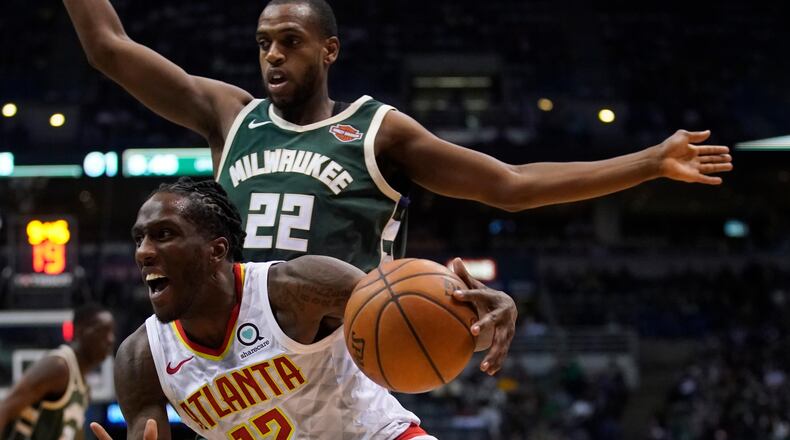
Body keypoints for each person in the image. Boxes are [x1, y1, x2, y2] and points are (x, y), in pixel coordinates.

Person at [63, 0, 734, 272]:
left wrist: (647, 162)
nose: (272, 55)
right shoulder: (229, 115)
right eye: (263, 42)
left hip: (341, 356)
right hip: (242, 356)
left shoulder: (378, 131)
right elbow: (109, 47)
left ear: (329, 51)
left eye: (289, 43)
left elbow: (510, 185)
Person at [88, 177, 516, 439]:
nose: (144, 252)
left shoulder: (299, 288)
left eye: (163, 235)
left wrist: (485, 323)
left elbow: (422, 331)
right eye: (139, 239)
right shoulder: (140, 359)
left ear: (216, 251)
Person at [0, 304, 116, 440]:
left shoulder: (84, 387)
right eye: (101, 331)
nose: (110, 339)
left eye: (112, 332)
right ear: (79, 331)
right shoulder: (58, 367)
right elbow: (5, 408)